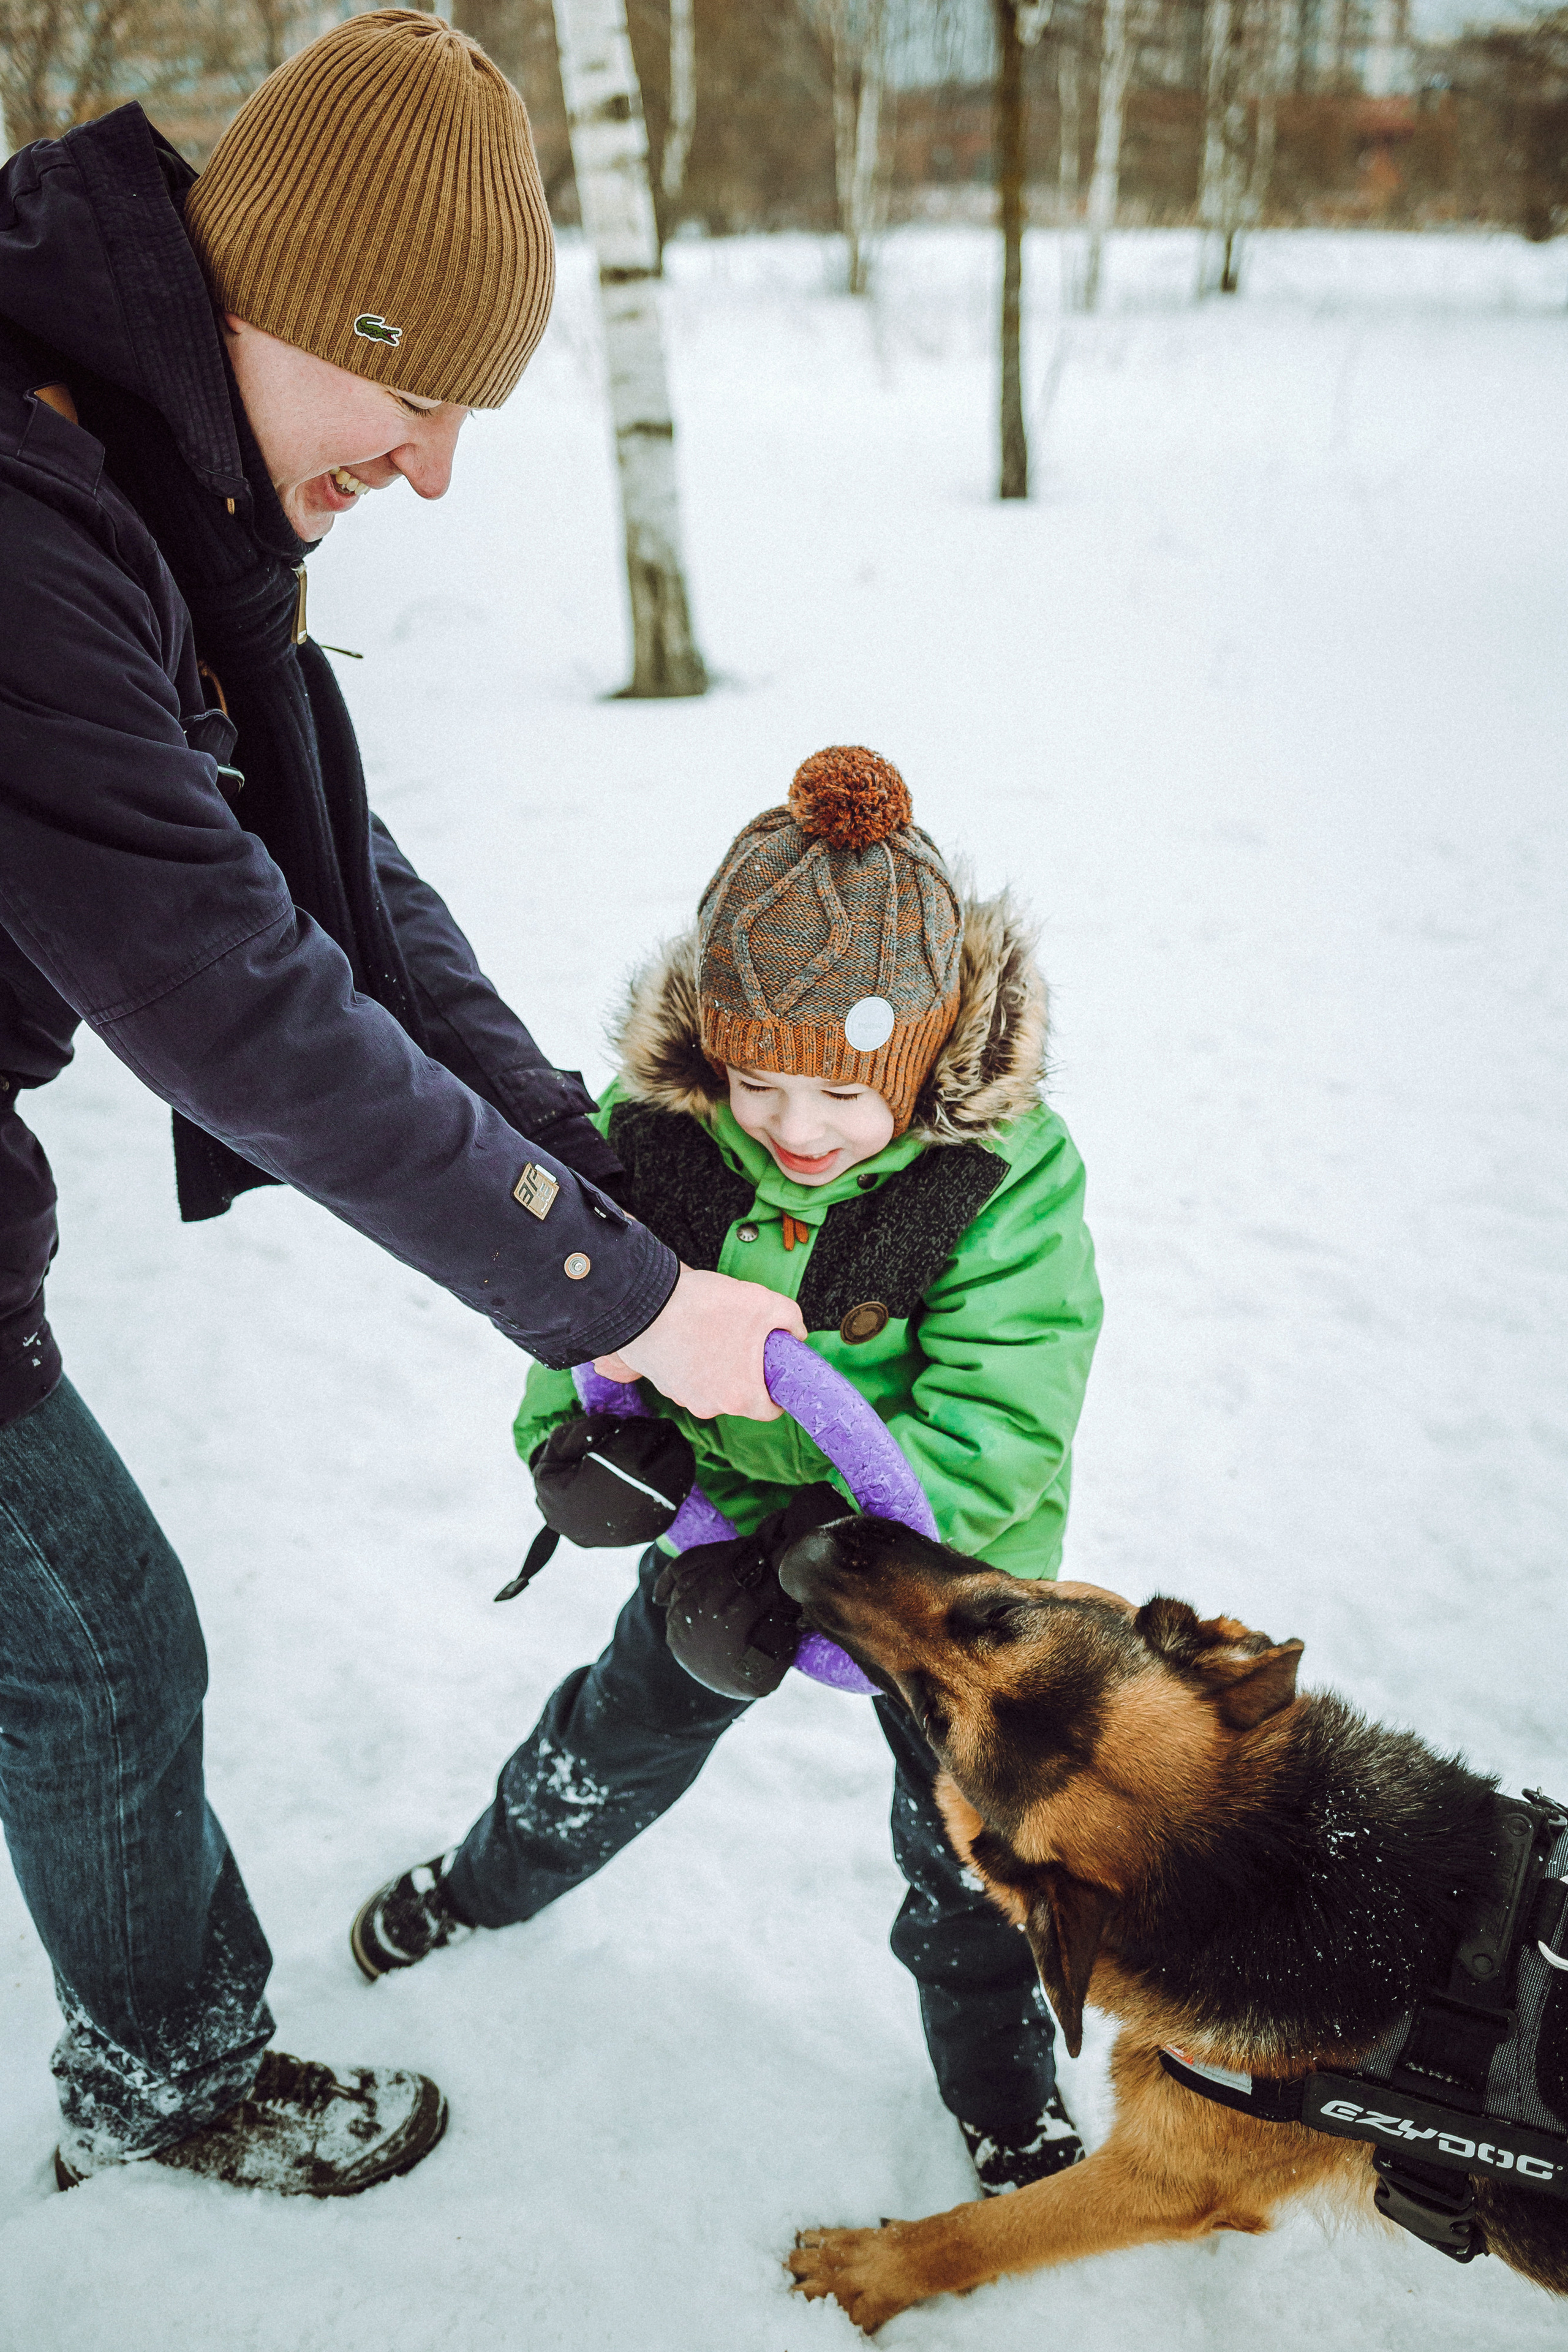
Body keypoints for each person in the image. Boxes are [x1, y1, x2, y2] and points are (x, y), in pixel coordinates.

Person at [0, 12, 802, 2198]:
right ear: (272, 304)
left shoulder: (142, 487)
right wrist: (618, 1304)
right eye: (416, 396)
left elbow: (324, 878)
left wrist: (581, 1146)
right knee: (94, 1648)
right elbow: (240, 1007)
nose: (438, 469)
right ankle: (166, 2085)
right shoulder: (24, 530)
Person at [353, 746, 1105, 2194]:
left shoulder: (1000, 1184)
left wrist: (822, 1578)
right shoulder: (673, 1142)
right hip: (712, 1533)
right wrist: (580, 1447)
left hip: (935, 1581)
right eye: (758, 1079)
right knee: (614, 1734)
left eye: (841, 1094)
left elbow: (1002, 1427)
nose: (796, 1130)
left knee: (964, 1845)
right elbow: (587, 1306)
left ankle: (1005, 2088)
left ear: (928, 1057)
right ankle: (492, 1877)